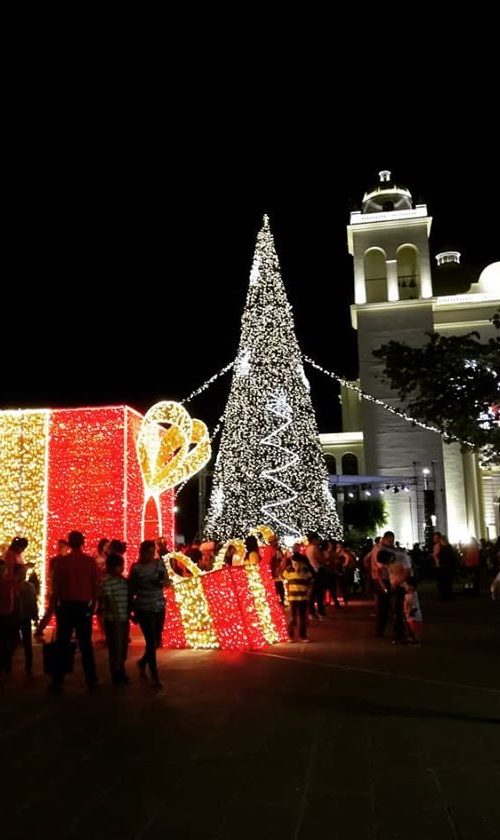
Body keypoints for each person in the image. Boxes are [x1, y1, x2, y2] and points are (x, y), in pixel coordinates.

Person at [49, 530, 98, 692]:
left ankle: (57, 680)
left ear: (69, 543)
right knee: (85, 644)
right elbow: (95, 586)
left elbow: (57, 587)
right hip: (83, 606)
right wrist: (93, 604)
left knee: (62, 644)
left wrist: (55, 605)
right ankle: (91, 679)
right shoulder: (89, 562)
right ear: (82, 543)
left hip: (66, 606)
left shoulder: (61, 562)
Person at [129, 540, 167, 689]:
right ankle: (154, 676)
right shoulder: (137, 568)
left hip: (158, 605)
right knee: (151, 641)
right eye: (148, 553)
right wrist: (132, 611)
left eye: (153, 552)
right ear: (142, 553)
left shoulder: (159, 564)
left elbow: (165, 581)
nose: (150, 555)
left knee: (156, 641)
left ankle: (143, 662)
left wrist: (162, 580)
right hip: (144, 607)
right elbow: (132, 589)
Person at [98, 553, 130, 684]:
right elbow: (109, 599)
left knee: (122, 646)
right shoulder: (107, 581)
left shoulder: (123, 581)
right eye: (119, 566)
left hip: (124, 618)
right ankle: (117, 673)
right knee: (115, 647)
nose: (121, 568)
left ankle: (121, 669)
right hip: (113, 620)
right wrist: (116, 616)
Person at [13, 564, 39, 675]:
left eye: (23, 573)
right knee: (12, 643)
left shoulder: (30, 586)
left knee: (27, 644)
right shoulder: (12, 586)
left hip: (24, 617)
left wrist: (35, 616)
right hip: (14, 617)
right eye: (20, 573)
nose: (22, 575)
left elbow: (33, 602)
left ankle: (29, 668)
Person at [282, 552, 313, 642]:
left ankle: (303, 636)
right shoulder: (289, 570)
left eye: (298, 563)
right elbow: (282, 577)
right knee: (292, 618)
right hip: (293, 598)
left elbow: (311, 581)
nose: (296, 566)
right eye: (294, 563)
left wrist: (309, 592)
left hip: (303, 597)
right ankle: (290, 635)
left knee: (303, 618)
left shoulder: (306, 570)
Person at [402, 577, 423, 643]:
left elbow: (412, 605)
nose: (405, 587)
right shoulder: (408, 594)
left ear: (411, 586)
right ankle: (412, 638)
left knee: (415, 628)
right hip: (409, 615)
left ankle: (416, 640)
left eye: (406, 585)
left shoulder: (413, 594)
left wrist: (409, 611)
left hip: (414, 615)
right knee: (411, 628)